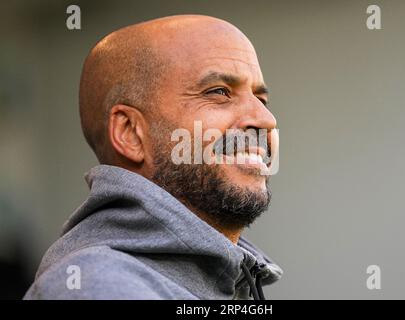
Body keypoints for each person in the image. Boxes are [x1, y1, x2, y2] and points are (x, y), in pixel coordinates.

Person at [24, 14, 282, 300]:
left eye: (261, 99)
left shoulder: (225, 278)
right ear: (130, 133)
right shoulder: (99, 287)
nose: (265, 118)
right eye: (219, 92)